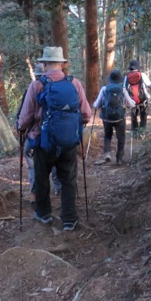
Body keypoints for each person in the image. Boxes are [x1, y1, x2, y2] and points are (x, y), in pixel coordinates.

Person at [17, 47, 92, 232]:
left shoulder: (37, 85)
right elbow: (86, 114)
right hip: (68, 142)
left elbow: (25, 118)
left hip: (42, 142)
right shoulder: (74, 83)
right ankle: (69, 219)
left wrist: (21, 129)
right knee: (68, 179)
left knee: (42, 179)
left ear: (44, 64)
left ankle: (44, 215)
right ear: (62, 63)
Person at [24, 63, 61, 199]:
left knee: (29, 154)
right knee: (58, 156)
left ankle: (36, 190)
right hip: (61, 133)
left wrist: (21, 129)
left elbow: (25, 115)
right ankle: (58, 187)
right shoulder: (66, 84)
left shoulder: (34, 87)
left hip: (39, 134)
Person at [93, 69, 135, 165]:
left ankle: (107, 154)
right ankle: (119, 158)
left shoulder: (104, 89)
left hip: (107, 118)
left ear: (110, 79)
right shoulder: (123, 89)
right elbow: (131, 104)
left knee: (107, 135)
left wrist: (94, 105)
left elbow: (97, 104)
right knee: (121, 137)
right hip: (120, 118)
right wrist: (132, 103)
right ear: (119, 79)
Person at [124, 59, 151, 135]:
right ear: (138, 67)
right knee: (143, 115)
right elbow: (149, 84)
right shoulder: (142, 75)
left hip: (132, 100)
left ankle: (134, 132)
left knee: (134, 116)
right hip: (143, 99)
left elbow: (124, 89)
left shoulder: (127, 77)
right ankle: (142, 133)